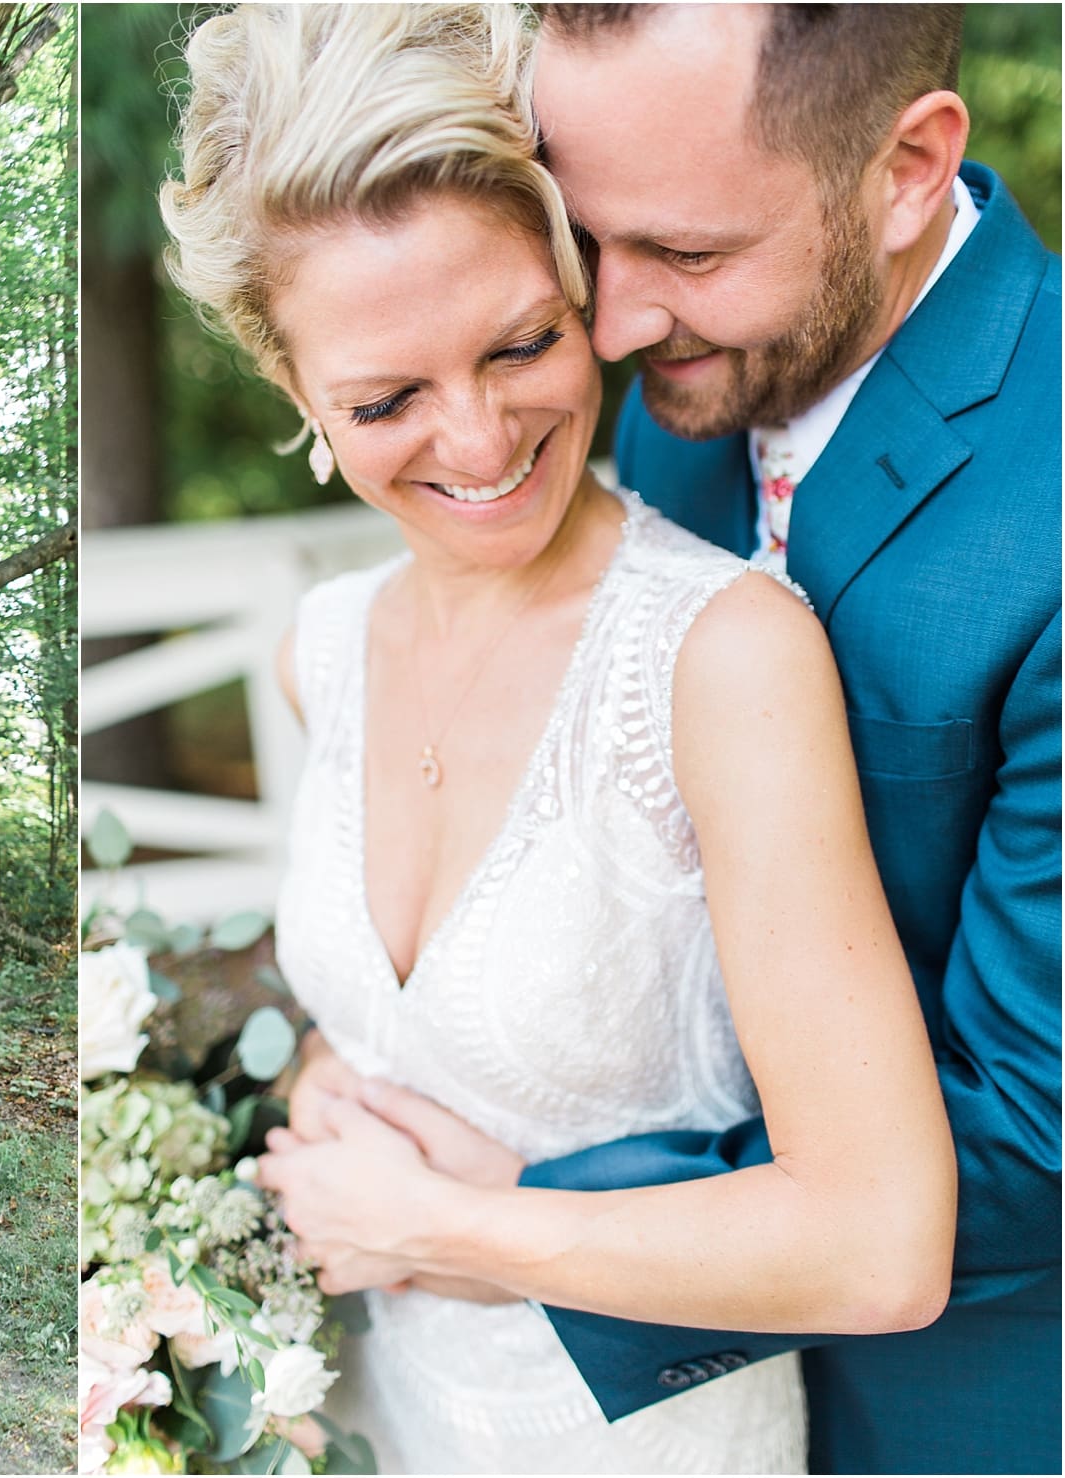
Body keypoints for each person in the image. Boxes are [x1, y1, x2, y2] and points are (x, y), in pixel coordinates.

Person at [158, 4, 958, 1470]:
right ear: (294, 394)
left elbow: (878, 1243)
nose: (475, 442)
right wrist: (321, 1076)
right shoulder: (317, 653)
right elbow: (396, 1022)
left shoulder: (720, 660)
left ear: (576, 273)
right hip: (383, 1416)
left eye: (520, 342)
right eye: (384, 397)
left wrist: (448, 1223)